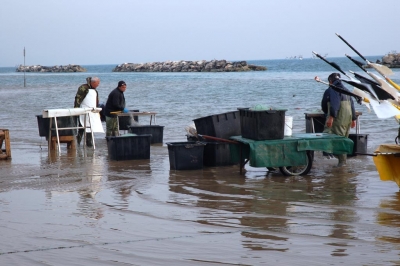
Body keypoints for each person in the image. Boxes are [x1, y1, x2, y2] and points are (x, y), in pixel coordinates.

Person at [321, 73, 357, 167]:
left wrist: (331, 117)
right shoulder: (346, 90)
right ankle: (341, 160)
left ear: (330, 81)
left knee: (332, 137)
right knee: (343, 138)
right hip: (348, 118)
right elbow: (352, 105)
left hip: (338, 118)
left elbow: (332, 104)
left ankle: (341, 163)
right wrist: (353, 119)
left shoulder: (333, 89)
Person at [74, 77, 101, 146]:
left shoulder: (94, 90)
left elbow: (96, 101)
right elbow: (78, 99)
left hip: (92, 112)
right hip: (83, 111)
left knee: (90, 127)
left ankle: (89, 144)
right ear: (93, 82)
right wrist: (76, 110)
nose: (98, 85)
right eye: (97, 83)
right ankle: (77, 143)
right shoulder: (83, 88)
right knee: (81, 128)